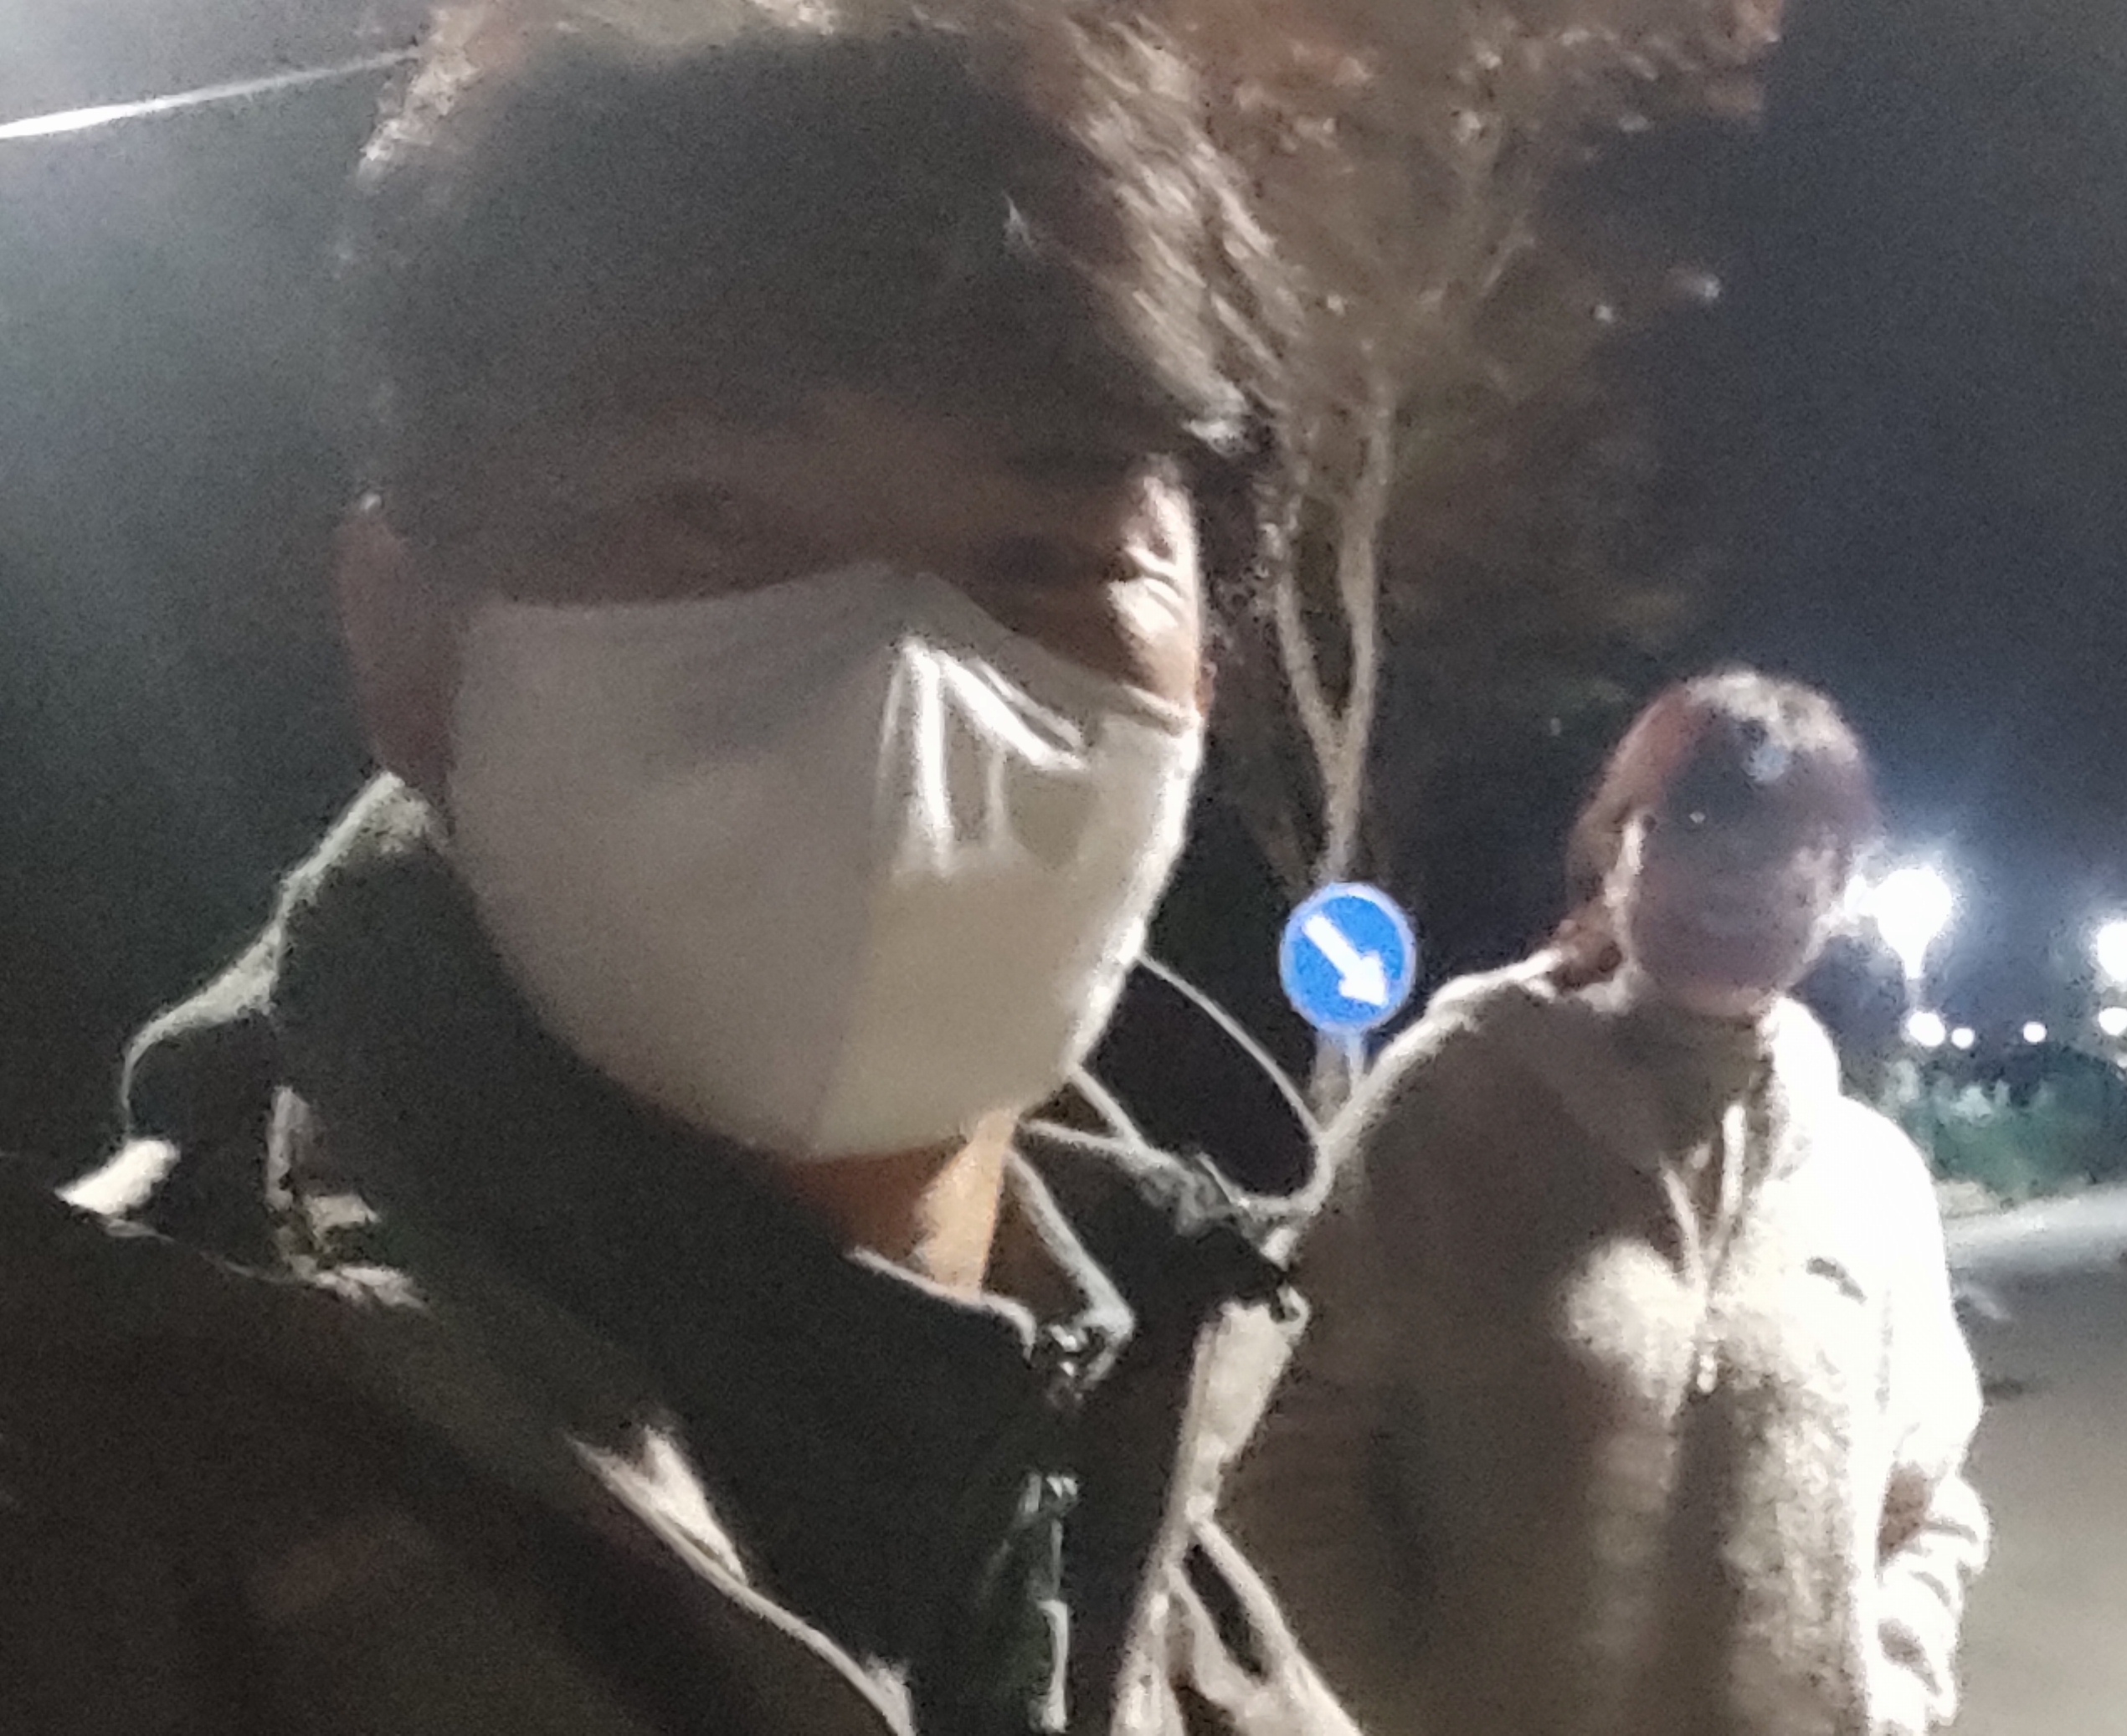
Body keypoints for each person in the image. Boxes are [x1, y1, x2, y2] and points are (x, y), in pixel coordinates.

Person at [0, 9, 1350, 1733]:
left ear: (1203, 688)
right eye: (708, 518)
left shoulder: (1165, 1546)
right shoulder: (86, 1509)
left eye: (1041, 554)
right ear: (409, 634)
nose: (895, 687)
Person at [1231, 670, 1990, 1736]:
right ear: (1614, 846)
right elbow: (1288, 1460)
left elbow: (1926, 1501)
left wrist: (1894, 1693)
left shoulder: (1872, 1180)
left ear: (1839, 886)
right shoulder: (1452, 1105)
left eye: (1791, 842)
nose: (1738, 872)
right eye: (1691, 822)